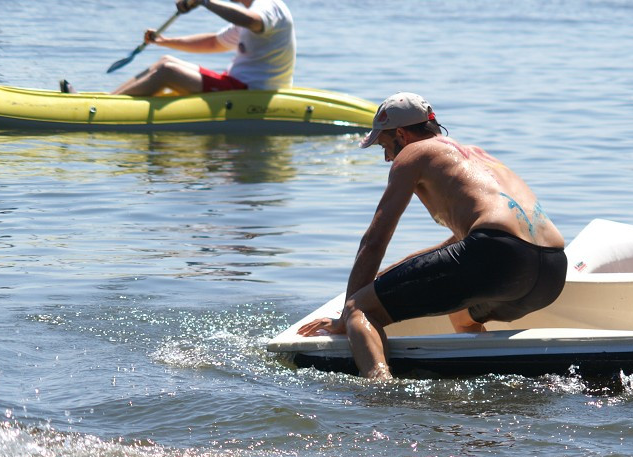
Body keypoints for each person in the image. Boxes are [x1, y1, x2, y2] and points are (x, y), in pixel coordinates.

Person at [297, 92, 567, 380]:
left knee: (358, 308)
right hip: (550, 270)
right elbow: (475, 243)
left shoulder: (415, 153)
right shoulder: (480, 157)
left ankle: (379, 390)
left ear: (401, 134)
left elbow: (374, 240)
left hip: (498, 258)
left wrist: (348, 312)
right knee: (462, 316)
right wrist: (380, 280)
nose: (388, 157)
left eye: (385, 146)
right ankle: (481, 376)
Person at [105, 0, 294, 96]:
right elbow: (213, 43)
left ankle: (104, 110)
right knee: (166, 61)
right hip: (235, 83)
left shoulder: (268, 6)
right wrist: (163, 41)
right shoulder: (251, 12)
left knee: (167, 71)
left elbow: (252, 20)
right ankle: (112, 99)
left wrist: (204, 2)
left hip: (251, 90)